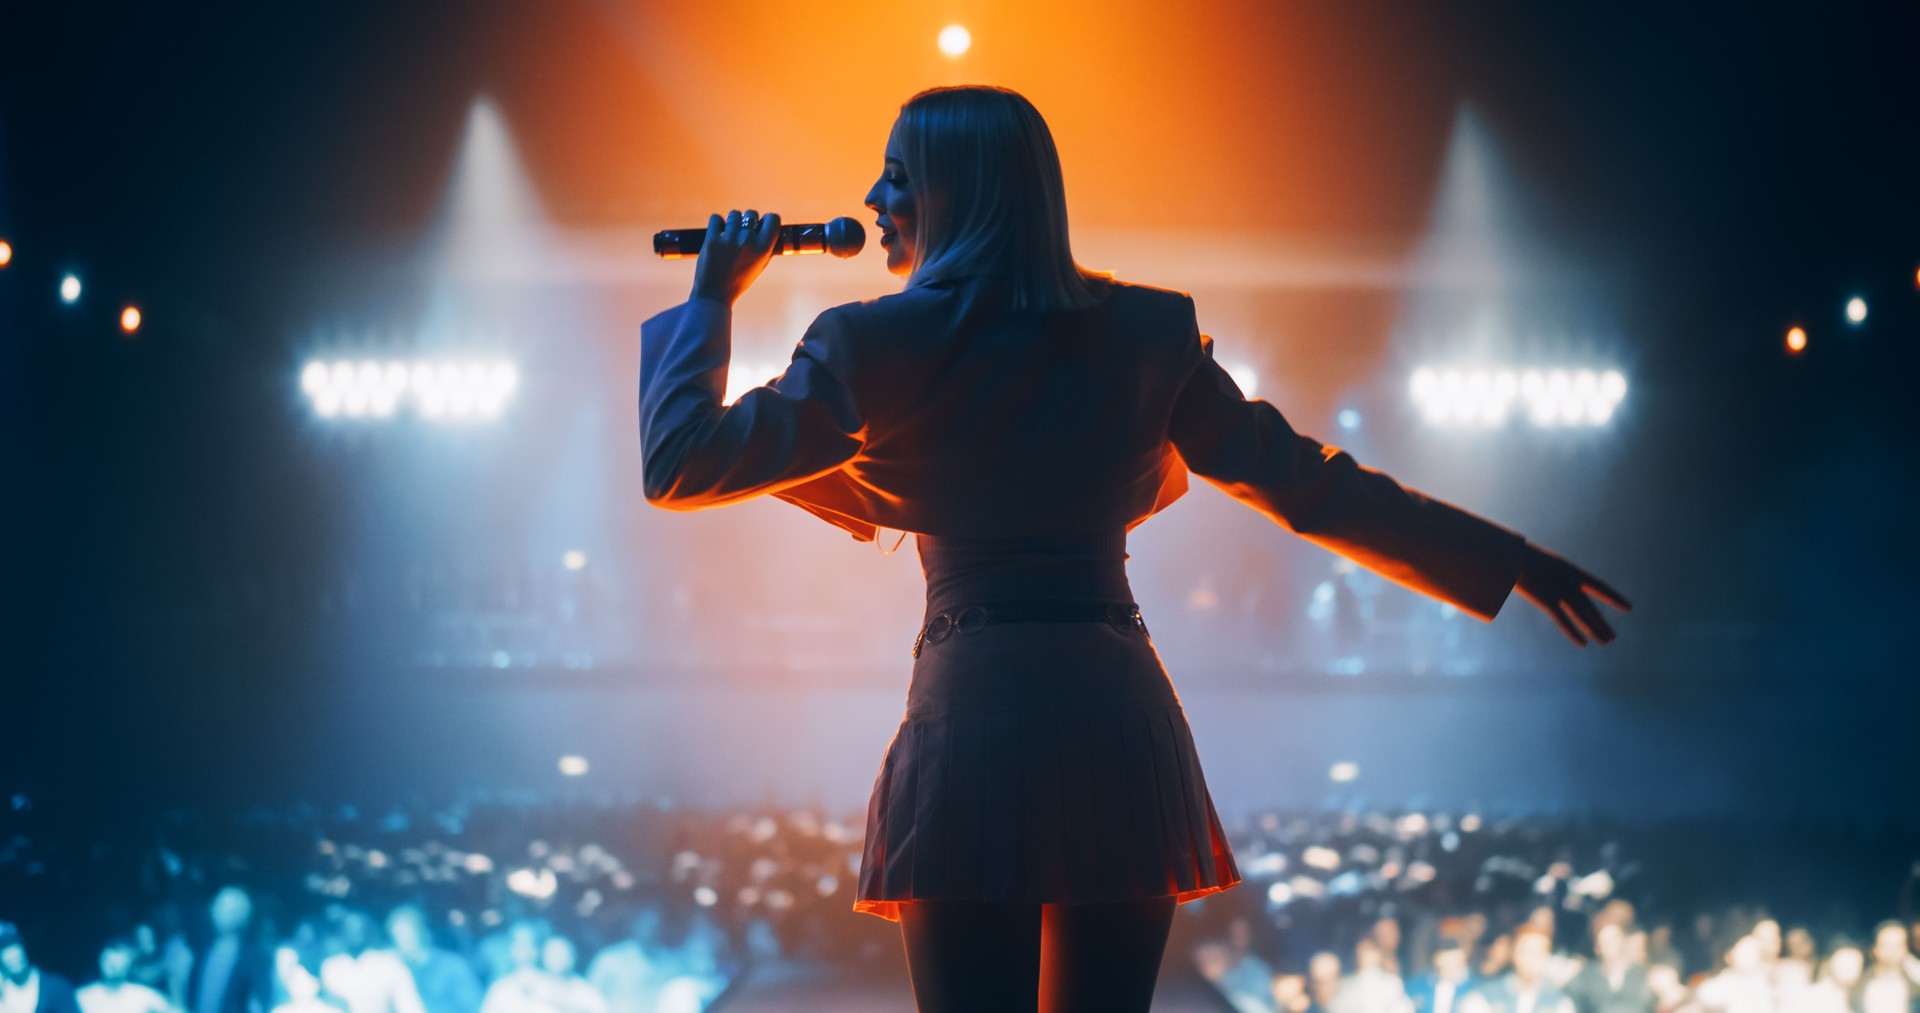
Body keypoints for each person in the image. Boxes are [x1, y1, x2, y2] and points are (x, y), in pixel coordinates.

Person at [638, 84, 1630, 1012]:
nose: (872, 199)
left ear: (959, 192)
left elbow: (680, 460)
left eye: (896, 175)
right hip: (1117, 712)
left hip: (972, 710)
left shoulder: (867, 343)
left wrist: (714, 294)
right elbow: (1306, 483)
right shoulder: (1148, 332)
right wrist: (1502, 557)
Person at [185, 889, 269, 1013]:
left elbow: (258, 1002)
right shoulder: (202, 951)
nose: (216, 911)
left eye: (224, 908)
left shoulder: (253, 958)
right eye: (216, 905)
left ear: (241, 915)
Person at [384, 908, 480, 1013]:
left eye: (408, 939)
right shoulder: (397, 971)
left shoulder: (453, 966)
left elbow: (473, 1007)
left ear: (424, 933)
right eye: (397, 939)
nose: (402, 946)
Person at [1, 923, 83, 1013]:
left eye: (15, 947)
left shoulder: (57, 988)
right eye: (4, 951)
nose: (12, 956)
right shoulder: (3, 996)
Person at [77, 939, 175, 1013]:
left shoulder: (144, 996)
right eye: (107, 961)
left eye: (116, 963)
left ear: (128, 965)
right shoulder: (83, 997)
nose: (112, 967)